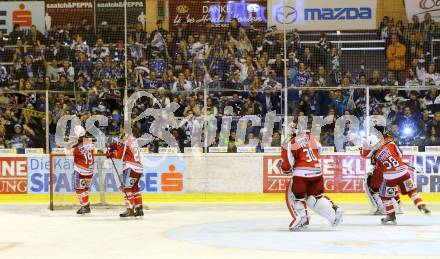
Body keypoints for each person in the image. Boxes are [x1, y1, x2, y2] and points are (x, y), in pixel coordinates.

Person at [277, 127, 343, 231]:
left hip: (301, 174)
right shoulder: (311, 138)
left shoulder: (290, 143)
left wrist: (284, 168)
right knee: (316, 197)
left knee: (296, 196)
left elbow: (287, 165)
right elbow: (319, 150)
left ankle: (302, 219)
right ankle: (334, 211)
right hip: (317, 172)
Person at [361, 134, 430, 224]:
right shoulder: (391, 144)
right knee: (411, 191)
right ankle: (420, 203)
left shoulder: (375, 156)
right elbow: (400, 154)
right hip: (404, 172)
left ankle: (391, 215)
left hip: (390, 177)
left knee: (384, 196)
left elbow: (381, 168)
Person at [106, 130, 144, 217]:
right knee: (135, 188)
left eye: (121, 128)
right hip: (138, 167)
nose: (120, 130)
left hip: (130, 167)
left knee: (127, 188)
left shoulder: (125, 139)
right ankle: (139, 209)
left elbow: (119, 155)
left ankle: (130, 209)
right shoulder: (133, 139)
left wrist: (111, 153)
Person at [71, 125, 95, 215]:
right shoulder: (91, 143)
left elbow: (70, 150)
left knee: (79, 189)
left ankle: (84, 206)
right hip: (90, 171)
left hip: (80, 171)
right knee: (85, 189)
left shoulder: (76, 149)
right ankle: (86, 205)